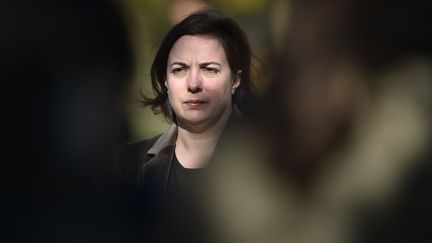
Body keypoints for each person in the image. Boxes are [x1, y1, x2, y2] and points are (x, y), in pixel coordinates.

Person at [119, 9, 256, 200]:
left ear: (235, 80)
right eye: (179, 69)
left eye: (209, 69)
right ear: (165, 80)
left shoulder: (269, 163)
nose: (193, 84)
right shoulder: (129, 164)